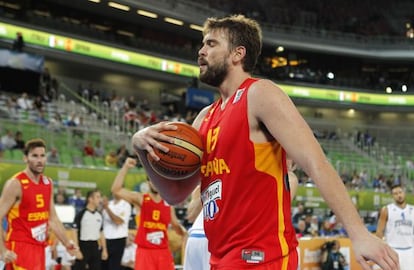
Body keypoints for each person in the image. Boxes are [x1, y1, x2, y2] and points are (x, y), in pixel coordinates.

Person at [131, 14, 399, 270]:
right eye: (202, 44)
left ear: (238, 53)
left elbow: (315, 163)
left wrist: (358, 233)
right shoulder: (205, 117)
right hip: (220, 256)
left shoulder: (260, 94)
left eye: (211, 44)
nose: (201, 51)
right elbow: (175, 194)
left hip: (262, 257)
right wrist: (141, 148)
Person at [0, 138, 77, 269]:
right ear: (25, 158)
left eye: (42, 156)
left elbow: (52, 219)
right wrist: (3, 250)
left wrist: (66, 242)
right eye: (34, 156)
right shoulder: (15, 184)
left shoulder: (48, 183)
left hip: (39, 248)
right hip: (19, 248)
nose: (39, 160)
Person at [111, 157, 187, 270]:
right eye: (153, 180)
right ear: (148, 182)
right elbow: (116, 190)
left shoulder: (168, 203)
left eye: (159, 181)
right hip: (145, 251)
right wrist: (125, 167)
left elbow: (176, 225)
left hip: (163, 252)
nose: (156, 183)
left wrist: (184, 233)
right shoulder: (140, 198)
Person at [375, 184, 414, 270]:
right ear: (392, 196)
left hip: (410, 251)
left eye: (400, 192)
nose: (399, 195)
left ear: (404, 193)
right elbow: (379, 232)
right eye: (395, 193)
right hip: (392, 250)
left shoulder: (412, 210)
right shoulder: (386, 210)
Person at [72, 189, 108, 270]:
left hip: (95, 246)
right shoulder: (81, 214)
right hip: (83, 245)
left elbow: (101, 232)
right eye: (98, 197)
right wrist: (77, 249)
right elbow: (74, 231)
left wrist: (104, 249)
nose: (100, 199)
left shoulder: (99, 215)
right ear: (90, 199)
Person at [101, 193, 132, 270]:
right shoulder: (109, 204)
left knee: (114, 267)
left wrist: (107, 208)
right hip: (105, 240)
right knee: (103, 266)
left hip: (118, 240)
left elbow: (118, 221)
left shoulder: (126, 205)